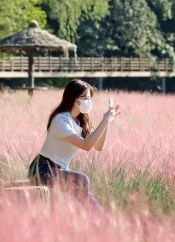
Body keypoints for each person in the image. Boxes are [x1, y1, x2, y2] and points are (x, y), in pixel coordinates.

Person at [28, 79, 121, 208]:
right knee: (83, 180)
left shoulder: (81, 121)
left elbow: (98, 146)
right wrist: (105, 121)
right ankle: (80, 218)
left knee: (94, 205)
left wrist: (107, 122)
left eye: (90, 98)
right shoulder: (61, 120)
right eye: (86, 98)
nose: (89, 102)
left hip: (61, 169)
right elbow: (86, 145)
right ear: (75, 99)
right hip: (42, 169)